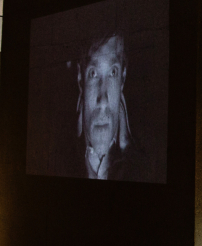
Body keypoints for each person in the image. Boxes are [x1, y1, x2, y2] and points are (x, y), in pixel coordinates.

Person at [57, 33, 148, 181]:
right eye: (93, 74)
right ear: (81, 79)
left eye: (113, 72)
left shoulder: (144, 167)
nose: (103, 101)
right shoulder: (56, 161)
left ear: (122, 79)